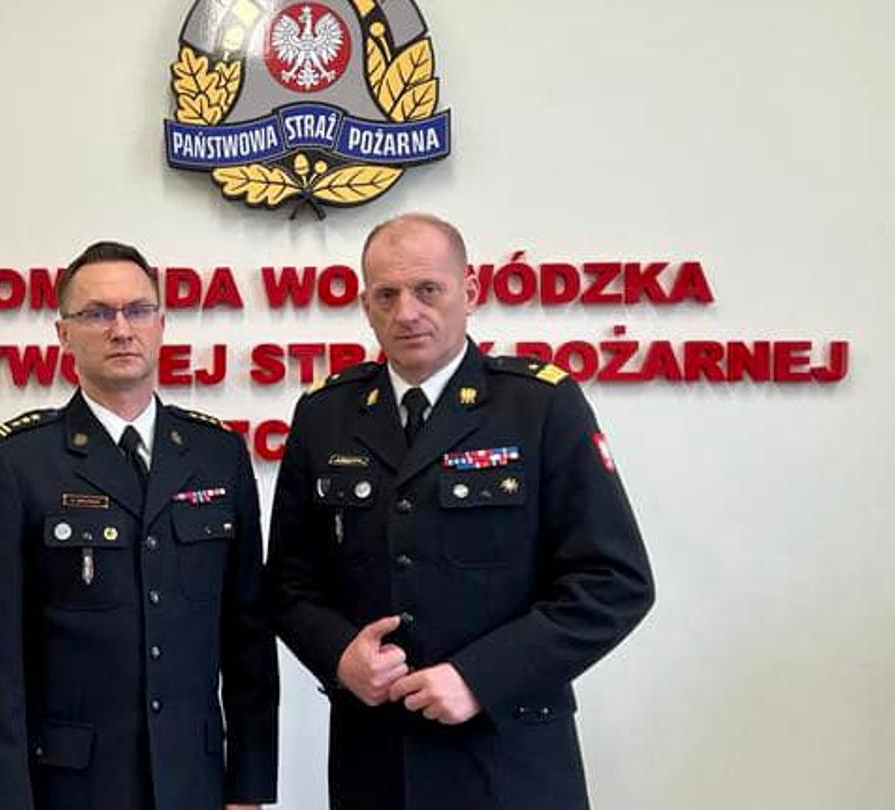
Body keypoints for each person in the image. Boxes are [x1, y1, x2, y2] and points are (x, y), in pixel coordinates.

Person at [264, 213, 654, 809]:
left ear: (468, 293)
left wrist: (481, 677)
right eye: (387, 295)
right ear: (366, 306)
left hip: (511, 758)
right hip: (377, 761)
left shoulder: (539, 406)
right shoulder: (326, 415)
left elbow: (614, 581)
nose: (407, 312)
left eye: (428, 290)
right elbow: (289, 583)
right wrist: (339, 656)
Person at [0, 241, 278, 810]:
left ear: (161, 324)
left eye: (137, 311)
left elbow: (248, 640)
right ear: (64, 334)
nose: (121, 329)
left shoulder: (218, 455)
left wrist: (248, 787)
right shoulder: (18, 462)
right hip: (71, 788)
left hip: (194, 785)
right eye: (97, 314)